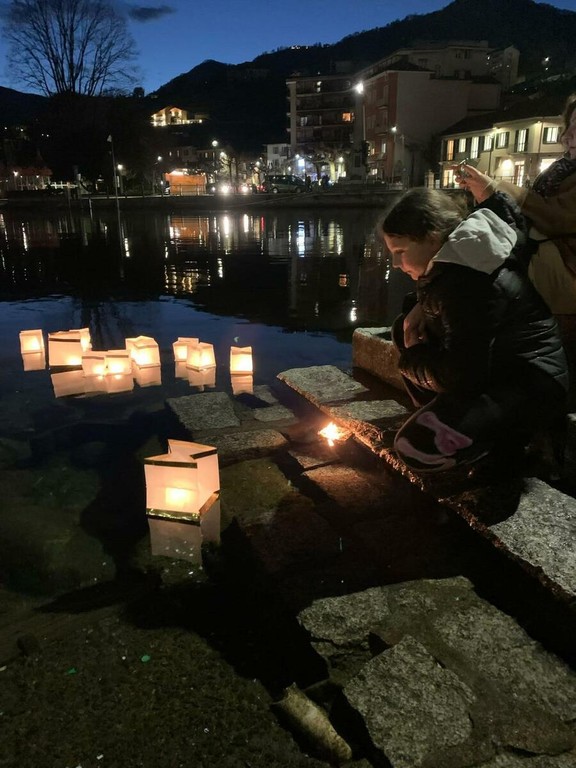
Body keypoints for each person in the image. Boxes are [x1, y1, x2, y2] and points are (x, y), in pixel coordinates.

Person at [378, 187, 568, 475]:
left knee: (415, 449)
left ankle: (500, 447)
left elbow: (462, 376)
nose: (396, 264)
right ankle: (456, 421)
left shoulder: (469, 281)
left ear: (432, 238)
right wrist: (420, 305)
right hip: (501, 371)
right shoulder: (464, 258)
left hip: (530, 385)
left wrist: (411, 358)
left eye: (400, 252)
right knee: (403, 327)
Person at [456, 94, 576, 400]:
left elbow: (558, 218)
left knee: (491, 266)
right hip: (545, 252)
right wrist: (489, 195)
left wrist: (497, 190)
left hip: (566, 266)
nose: (568, 135)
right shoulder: (563, 170)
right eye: (570, 125)